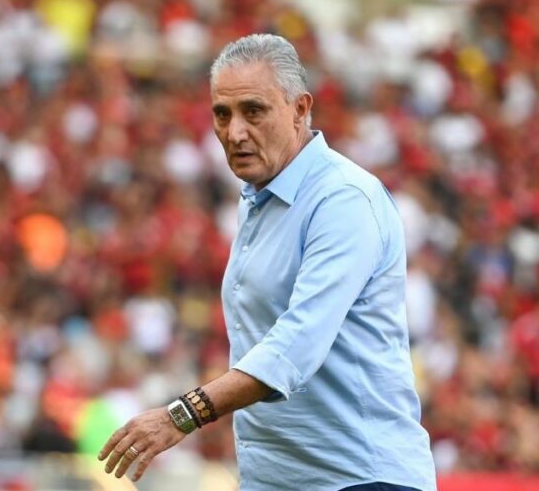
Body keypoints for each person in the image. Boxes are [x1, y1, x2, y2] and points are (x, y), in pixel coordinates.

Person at [98, 34, 437, 491]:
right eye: (222, 114)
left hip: (361, 478)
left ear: (299, 109)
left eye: (253, 111)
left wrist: (182, 414)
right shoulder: (259, 200)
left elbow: (295, 347)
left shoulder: (343, 199)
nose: (235, 132)